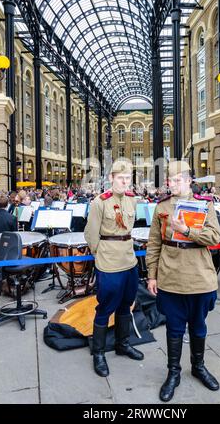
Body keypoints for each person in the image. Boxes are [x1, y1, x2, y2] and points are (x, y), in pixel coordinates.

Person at [146, 160, 220, 402]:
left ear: (189, 181)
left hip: (200, 275)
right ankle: (173, 373)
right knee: (174, 327)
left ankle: (198, 367)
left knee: (198, 325)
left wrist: (187, 230)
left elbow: (215, 238)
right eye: (170, 180)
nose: (173, 184)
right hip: (171, 276)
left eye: (178, 180)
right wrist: (151, 274)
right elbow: (154, 243)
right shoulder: (162, 207)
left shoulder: (205, 205)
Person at [85, 160, 144, 378]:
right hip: (109, 261)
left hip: (129, 260)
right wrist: (100, 254)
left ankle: (123, 344)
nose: (125, 182)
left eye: (128, 178)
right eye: (121, 178)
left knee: (126, 303)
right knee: (105, 306)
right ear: (111, 178)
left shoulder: (132, 199)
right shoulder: (100, 202)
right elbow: (91, 234)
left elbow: (129, 228)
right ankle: (98, 353)